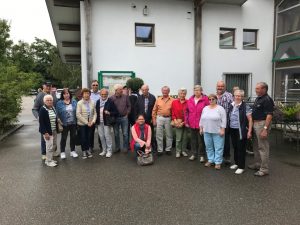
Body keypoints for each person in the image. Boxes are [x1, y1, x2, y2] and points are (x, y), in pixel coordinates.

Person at [248, 82, 274, 177]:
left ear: (264, 89)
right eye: (256, 88)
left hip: (262, 124)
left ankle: (264, 169)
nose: (256, 90)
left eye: (258, 89)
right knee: (256, 146)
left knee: (263, 147)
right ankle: (258, 164)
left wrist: (265, 129)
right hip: (256, 123)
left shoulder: (267, 100)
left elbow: (269, 115)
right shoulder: (259, 98)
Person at [228, 89, 253, 174]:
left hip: (241, 130)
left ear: (242, 97)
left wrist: (249, 131)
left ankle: (241, 166)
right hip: (232, 129)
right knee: (235, 147)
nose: (237, 97)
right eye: (236, 95)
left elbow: (250, 120)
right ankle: (236, 163)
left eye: (239, 96)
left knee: (241, 148)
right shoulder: (231, 105)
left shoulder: (246, 106)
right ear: (233, 96)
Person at [200, 94, 227, 170]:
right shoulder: (205, 108)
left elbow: (224, 120)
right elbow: (202, 119)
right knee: (209, 147)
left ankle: (218, 162)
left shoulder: (220, 108)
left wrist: (222, 129)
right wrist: (201, 128)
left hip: (217, 131)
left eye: (213, 99)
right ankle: (210, 160)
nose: (211, 101)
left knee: (218, 147)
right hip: (207, 131)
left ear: (216, 100)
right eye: (210, 99)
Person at [33, 81, 58, 160]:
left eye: (49, 85)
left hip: (53, 120)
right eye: (47, 85)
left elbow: (56, 104)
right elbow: (34, 109)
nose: (48, 87)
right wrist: (38, 118)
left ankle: (53, 151)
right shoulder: (40, 95)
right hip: (44, 121)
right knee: (45, 138)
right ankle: (44, 153)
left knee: (53, 138)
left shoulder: (52, 94)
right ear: (43, 86)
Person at [185, 85, 209, 162]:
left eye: (198, 90)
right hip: (192, 123)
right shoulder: (190, 99)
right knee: (193, 140)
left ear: (201, 91)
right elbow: (186, 111)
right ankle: (194, 154)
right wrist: (186, 121)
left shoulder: (205, 100)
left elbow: (208, 111)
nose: (197, 91)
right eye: (195, 90)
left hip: (201, 124)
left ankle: (202, 155)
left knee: (201, 141)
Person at [56, 88, 78, 159]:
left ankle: (73, 151)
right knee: (64, 138)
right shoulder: (59, 103)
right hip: (64, 124)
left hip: (73, 123)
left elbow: (77, 111)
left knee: (73, 137)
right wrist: (59, 121)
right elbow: (57, 113)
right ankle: (62, 152)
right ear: (62, 95)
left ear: (70, 94)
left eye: (67, 93)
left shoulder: (74, 101)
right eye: (64, 94)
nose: (66, 95)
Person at [96, 88, 118, 158]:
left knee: (107, 136)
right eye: (102, 94)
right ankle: (104, 150)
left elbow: (116, 112)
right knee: (101, 137)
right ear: (100, 94)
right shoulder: (98, 102)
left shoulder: (110, 101)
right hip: (99, 122)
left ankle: (109, 151)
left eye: (105, 94)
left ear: (107, 94)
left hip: (107, 122)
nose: (103, 95)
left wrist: (109, 113)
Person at [152, 86, 174, 156]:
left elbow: (174, 111)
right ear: (162, 91)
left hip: (168, 118)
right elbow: (154, 110)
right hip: (159, 118)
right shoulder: (158, 99)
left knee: (169, 134)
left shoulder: (173, 100)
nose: (165, 92)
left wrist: (174, 120)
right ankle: (160, 150)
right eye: (163, 91)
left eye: (166, 91)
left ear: (169, 91)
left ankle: (168, 149)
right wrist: (154, 120)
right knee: (159, 135)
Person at [76, 88, 97, 159]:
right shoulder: (79, 103)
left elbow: (95, 113)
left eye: (88, 93)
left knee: (89, 137)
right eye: (85, 93)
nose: (86, 95)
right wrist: (87, 122)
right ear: (82, 95)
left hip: (91, 123)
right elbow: (78, 114)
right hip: (82, 124)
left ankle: (88, 149)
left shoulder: (93, 102)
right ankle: (84, 151)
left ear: (89, 94)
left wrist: (93, 121)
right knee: (83, 138)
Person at [110, 84, 131, 153]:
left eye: (122, 89)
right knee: (116, 134)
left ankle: (125, 147)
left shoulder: (126, 97)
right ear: (116, 90)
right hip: (115, 118)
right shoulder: (111, 98)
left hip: (124, 118)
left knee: (125, 133)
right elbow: (110, 108)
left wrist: (127, 113)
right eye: (120, 89)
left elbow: (129, 106)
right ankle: (117, 147)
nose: (122, 90)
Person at [216, 80, 233, 164]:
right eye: (218, 86)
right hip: (215, 123)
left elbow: (232, 108)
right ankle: (218, 156)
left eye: (222, 86)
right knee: (217, 140)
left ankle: (226, 157)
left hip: (225, 122)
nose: (220, 88)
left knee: (225, 140)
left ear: (225, 87)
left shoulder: (229, 95)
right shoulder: (214, 96)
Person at [135, 84, 157, 151]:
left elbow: (155, 109)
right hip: (141, 120)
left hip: (150, 119)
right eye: (143, 90)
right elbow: (136, 109)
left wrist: (153, 119)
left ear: (148, 89)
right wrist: (137, 119)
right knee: (142, 134)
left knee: (151, 134)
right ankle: (143, 147)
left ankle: (153, 147)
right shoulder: (139, 98)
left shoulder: (153, 97)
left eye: (145, 90)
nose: (144, 91)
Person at [39, 95, 58, 167]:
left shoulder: (52, 108)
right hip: (47, 131)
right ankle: (48, 161)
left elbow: (55, 118)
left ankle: (50, 158)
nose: (49, 101)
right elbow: (41, 122)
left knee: (53, 145)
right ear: (44, 101)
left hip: (54, 130)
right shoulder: (42, 109)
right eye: (47, 100)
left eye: (50, 100)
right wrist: (45, 133)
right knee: (49, 146)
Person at [171, 88, 188, 158]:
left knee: (185, 138)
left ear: (185, 94)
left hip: (186, 122)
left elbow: (189, 114)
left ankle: (183, 151)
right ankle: (178, 151)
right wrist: (175, 120)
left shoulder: (188, 102)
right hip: (177, 122)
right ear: (178, 94)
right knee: (178, 138)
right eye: (181, 93)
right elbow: (172, 112)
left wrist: (184, 122)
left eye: (184, 93)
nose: (182, 95)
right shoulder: (174, 102)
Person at [89, 80, 101, 152]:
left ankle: (101, 146)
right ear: (91, 86)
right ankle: (91, 147)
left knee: (100, 132)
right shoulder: (89, 93)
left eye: (96, 85)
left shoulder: (101, 93)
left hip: (100, 115)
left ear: (98, 86)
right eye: (93, 85)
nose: (95, 86)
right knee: (91, 132)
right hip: (91, 115)